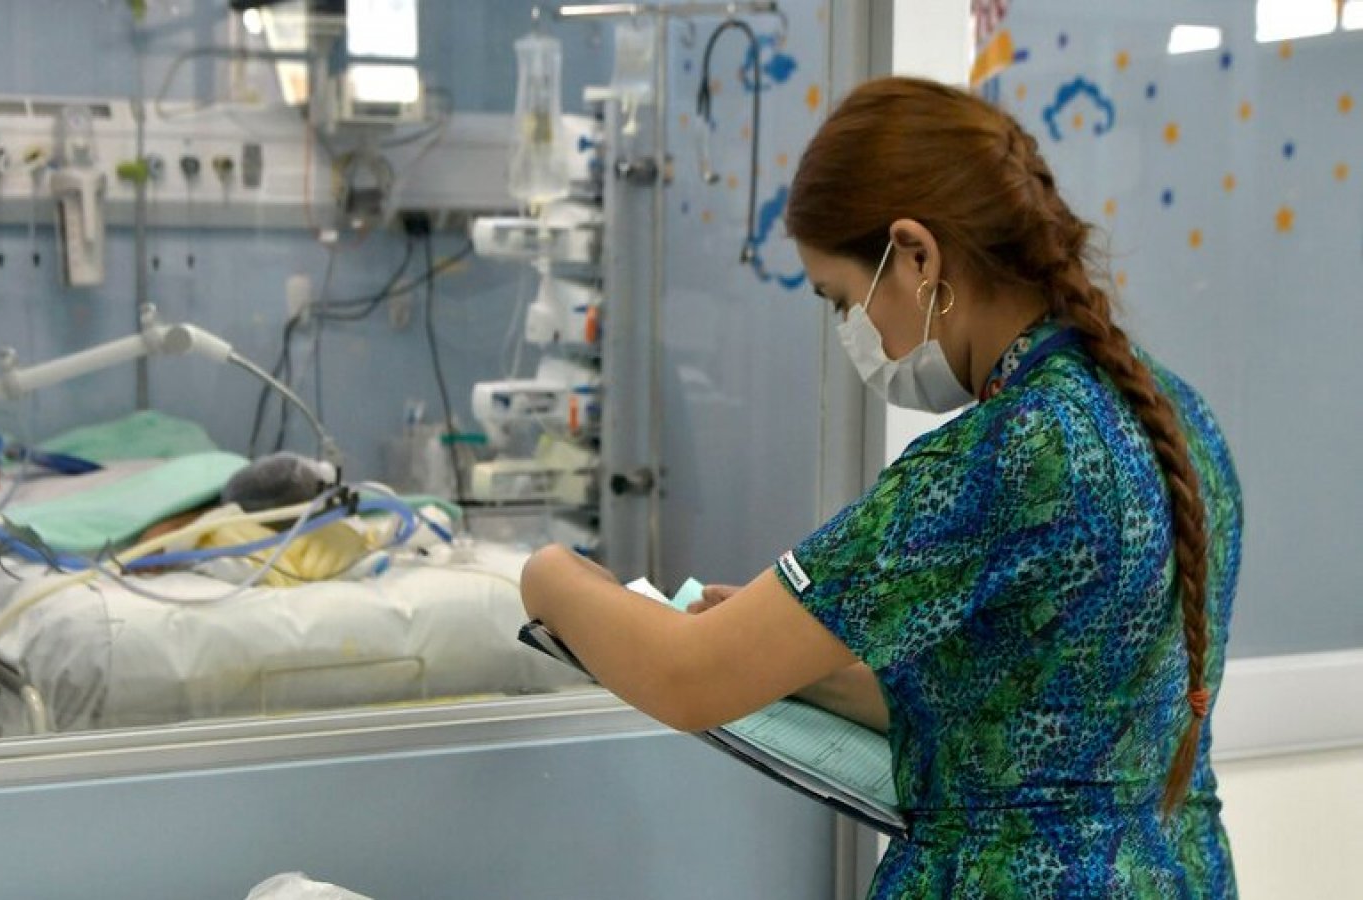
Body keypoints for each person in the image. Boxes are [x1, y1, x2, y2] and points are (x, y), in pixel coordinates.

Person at [519, 76, 1241, 898]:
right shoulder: (1177, 418)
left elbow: (688, 678)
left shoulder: (1005, 456)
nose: (853, 338)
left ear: (917, 256)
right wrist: (807, 666)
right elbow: (1036, 722)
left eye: (840, 301)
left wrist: (549, 574)